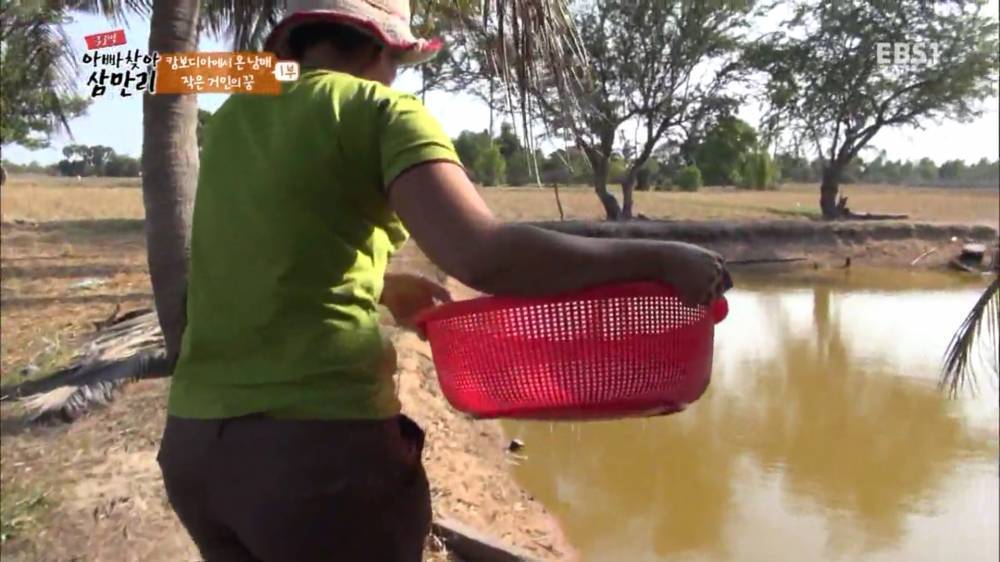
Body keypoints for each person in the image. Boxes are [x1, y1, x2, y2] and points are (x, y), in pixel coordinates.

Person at [156, 1, 731, 561]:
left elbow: (263, 249)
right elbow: (483, 256)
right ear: (382, 46)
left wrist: (380, 287)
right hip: (315, 458)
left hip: (195, 453)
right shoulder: (380, 111)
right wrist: (657, 259)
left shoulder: (234, 117)